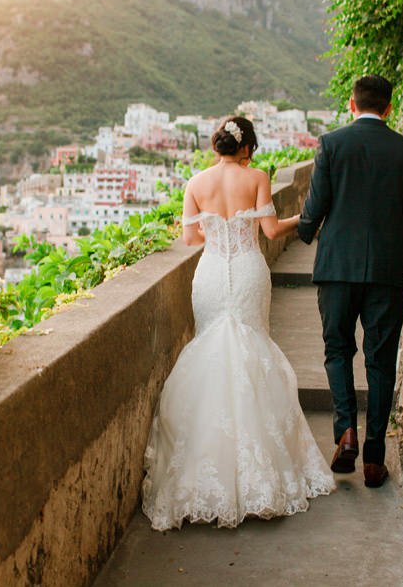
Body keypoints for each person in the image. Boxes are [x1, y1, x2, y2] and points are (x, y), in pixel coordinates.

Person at [142, 116, 335, 531]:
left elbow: (192, 240)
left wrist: (218, 232)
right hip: (247, 271)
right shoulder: (257, 177)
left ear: (217, 146)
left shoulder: (195, 183)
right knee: (252, 351)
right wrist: (304, 218)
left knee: (211, 350)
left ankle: (206, 466)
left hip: (211, 274)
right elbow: (268, 230)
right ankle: (261, 471)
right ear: (246, 146)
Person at [298, 75, 403, 488]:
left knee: (337, 350)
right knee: (381, 361)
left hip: (336, 267)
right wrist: (400, 270)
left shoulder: (332, 145)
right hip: (387, 272)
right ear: (388, 108)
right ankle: (374, 457)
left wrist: (303, 231)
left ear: (352, 104)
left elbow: (315, 206)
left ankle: (345, 431)